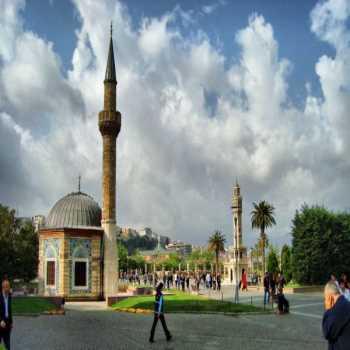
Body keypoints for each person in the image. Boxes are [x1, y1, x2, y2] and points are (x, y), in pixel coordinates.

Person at [323, 281, 350, 349]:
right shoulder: (346, 303)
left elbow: (328, 332)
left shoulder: (338, 309)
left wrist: (328, 310)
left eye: (325, 298)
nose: (325, 301)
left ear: (330, 297)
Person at [0, 279, 13, 350]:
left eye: (8, 286)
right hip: (0, 323)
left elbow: (9, 310)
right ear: (3, 287)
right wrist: (0, 320)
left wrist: (11, 322)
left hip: (7, 324)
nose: (8, 288)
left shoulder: (9, 296)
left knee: (7, 345)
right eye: (6, 287)